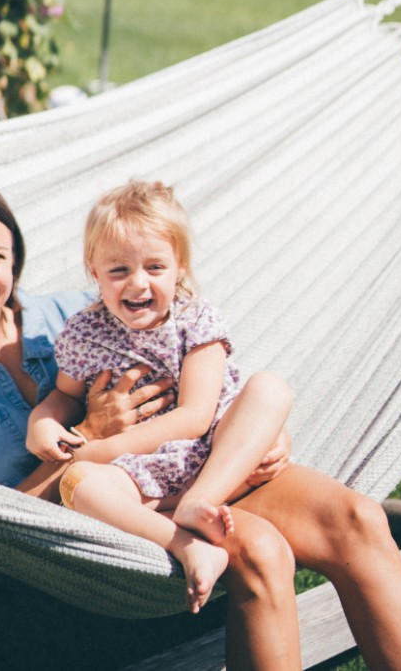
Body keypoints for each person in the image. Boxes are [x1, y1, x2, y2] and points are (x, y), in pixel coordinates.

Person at [0, 177, 401, 670]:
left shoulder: (75, 313)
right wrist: (92, 439)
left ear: (15, 262)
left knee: (358, 517)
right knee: (258, 550)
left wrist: (256, 430)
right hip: (111, 507)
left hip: (197, 468)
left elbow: (190, 369)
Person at [24, 181, 290, 614]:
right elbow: (64, 396)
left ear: (179, 267)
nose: (138, 284)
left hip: (213, 459)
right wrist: (43, 423)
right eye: (118, 271)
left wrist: (101, 448)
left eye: (154, 267)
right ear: (94, 272)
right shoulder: (84, 332)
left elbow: (196, 418)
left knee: (270, 389)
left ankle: (197, 503)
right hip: (140, 472)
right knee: (77, 484)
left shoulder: (195, 321)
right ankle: (186, 544)